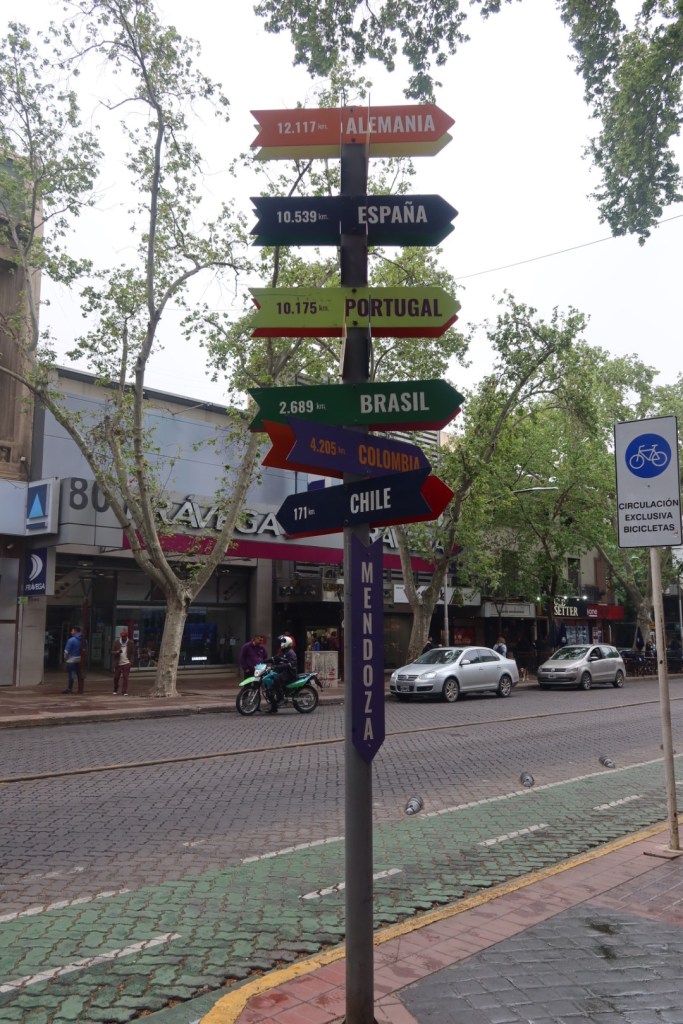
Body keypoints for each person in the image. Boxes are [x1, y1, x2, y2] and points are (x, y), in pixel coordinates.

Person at [263, 634, 298, 713]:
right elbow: (274, 659)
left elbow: (290, 664)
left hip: (290, 672)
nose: (281, 643)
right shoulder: (283, 651)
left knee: (276, 678)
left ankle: (281, 698)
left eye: (282, 642)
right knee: (270, 681)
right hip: (283, 672)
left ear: (287, 643)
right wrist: (264, 661)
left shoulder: (291, 653)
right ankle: (274, 708)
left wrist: (277, 666)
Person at [112, 629, 136, 695]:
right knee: (116, 677)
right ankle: (115, 689)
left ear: (126, 636)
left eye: (124, 637)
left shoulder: (130, 643)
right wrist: (117, 652)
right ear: (120, 636)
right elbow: (112, 651)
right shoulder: (116, 642)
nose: (123, 638)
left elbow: (133, 653)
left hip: (126, 663)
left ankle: (124, 691)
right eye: (122, 637)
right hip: (118, 663)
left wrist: (131, 662)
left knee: (125, 677)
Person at [63, 627, 84, 694]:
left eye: (72, 631)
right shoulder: (84, 640)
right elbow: (86, 651)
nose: (71, 632)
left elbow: (66, 652)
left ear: (75, 631)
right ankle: (80, 689)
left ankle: (70, 689)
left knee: (71, 675)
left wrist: (65, 659)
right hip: (80, 660)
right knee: (80, 675)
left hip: (71, 660)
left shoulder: (71, 640)